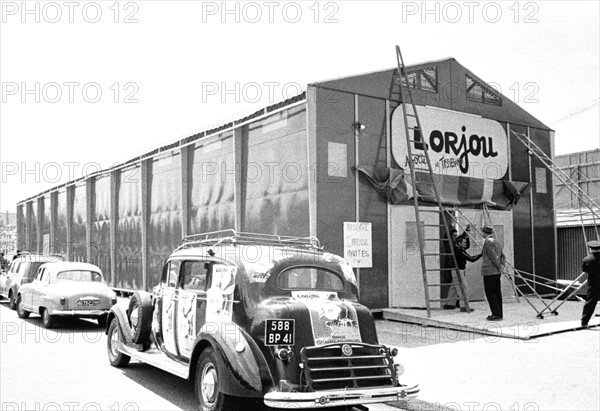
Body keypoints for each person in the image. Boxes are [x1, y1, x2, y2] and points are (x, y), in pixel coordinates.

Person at [445, 237, 482, 312]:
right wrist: (481, 254)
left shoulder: (456, 248)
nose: (466, 244)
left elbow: (465, 245)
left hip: (455, 270)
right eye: (464, 242)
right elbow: (471, 259)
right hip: (458, 271)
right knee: (463, 288)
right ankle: (464, 306)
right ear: (459, 243)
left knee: (454, 288)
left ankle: (449, 304)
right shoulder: (459, 251)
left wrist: (466, 233)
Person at [481, 225, 505, 321]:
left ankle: (496, 313)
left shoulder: (488, 242)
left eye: (482, 232)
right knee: (497, 292)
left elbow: (493, 256)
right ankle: (499, 312)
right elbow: (502, 256)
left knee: (490, 292)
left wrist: (499, 266)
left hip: (490, 271)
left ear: (484, 232)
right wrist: (502, 266)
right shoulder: (496, 241)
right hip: (496, 272)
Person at [581, 240, 600, 327]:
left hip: (593, 282)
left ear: (590, 249)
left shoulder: (587, 259)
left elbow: (584, 270)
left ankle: (584, 321)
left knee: (591, 301)